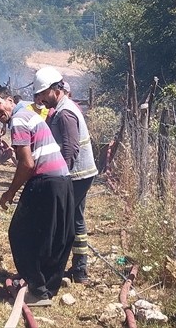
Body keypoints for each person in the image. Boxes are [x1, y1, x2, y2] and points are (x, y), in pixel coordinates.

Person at [0, 88, 74, 307]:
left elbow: (27, 164)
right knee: (54, 236)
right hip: (62, 179)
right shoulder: (29, 114)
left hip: (45, 180)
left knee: (19, 233)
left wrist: (10, 192)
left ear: (9, 100)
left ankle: (38, 290)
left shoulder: (18, 120)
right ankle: (47, 287)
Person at [34, 66, 98, 283]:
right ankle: (79, 268)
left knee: (62, 220)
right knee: (76, 218)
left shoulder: (65, 113)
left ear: (55, 89)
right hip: (82, 172)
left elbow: (70, 149)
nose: (41, 100)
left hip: (76, 174)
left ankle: (57, 267)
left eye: (43, 94)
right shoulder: (63, 108)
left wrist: (60, 178)